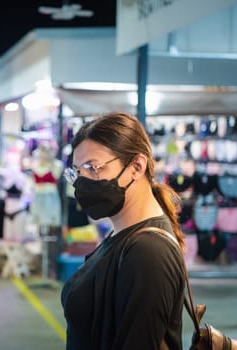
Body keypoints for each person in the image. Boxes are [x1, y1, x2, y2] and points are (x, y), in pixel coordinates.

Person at [60, 112, 186, 349]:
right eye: (77, 172)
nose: (81, 182)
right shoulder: (122, 234)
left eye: (93, 168)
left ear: (137, 166)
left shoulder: (148, 252)